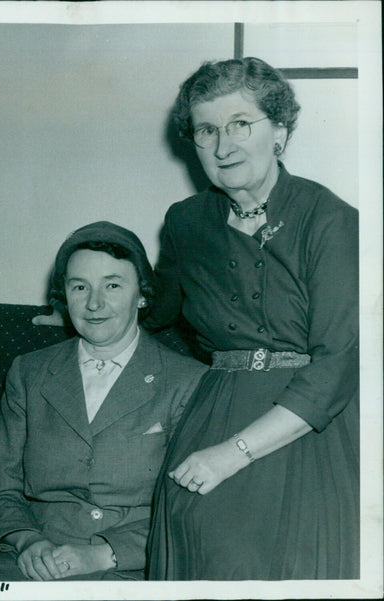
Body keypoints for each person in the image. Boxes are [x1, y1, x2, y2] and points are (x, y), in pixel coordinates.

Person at [145, 57, 359, 580]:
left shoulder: (331, 220)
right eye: (207, 130)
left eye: (241, 124)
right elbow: (158, 312)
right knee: (191, 532)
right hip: (214, 406)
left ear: (279, 131)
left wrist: (233, 453)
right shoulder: (185, 221)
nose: (224, 146)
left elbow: (339, 362)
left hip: (307, 426)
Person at [0, 221, 206, 581]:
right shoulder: (29, 372)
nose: (94, 303)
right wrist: (27, 541)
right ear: (64, 294)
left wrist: (104, 555)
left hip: (133, 563)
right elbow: (0, 489)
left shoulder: (188, 380)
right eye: (80, 286)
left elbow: (191, 510)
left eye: (112, 285)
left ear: (141, 294)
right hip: (32, 559)